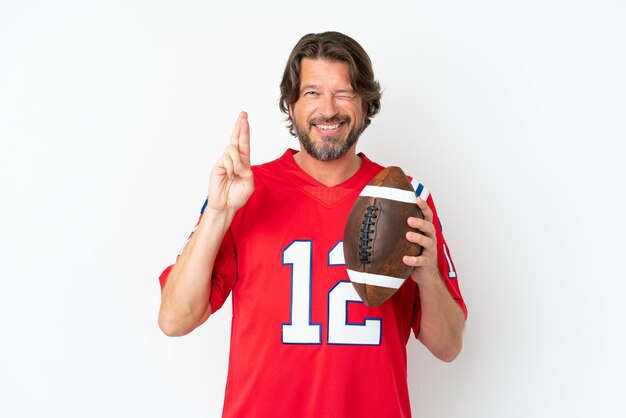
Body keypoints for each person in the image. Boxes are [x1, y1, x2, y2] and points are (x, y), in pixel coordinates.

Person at [158, 31, 467, 418]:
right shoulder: (244, 192)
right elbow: (173, 319)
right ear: (291, 104)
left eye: (344, 93)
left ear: (366, 102)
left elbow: (449, 346)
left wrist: (427, 279)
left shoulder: (406, 198)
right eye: (312, 93)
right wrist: (218, 214)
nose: (328, 109)